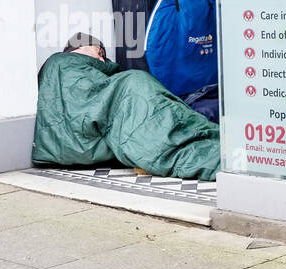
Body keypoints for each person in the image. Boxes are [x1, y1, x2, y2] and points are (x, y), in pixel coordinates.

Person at [32, 32, 220, 181]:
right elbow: (99, 100)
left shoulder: (55, 69)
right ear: (80, 48)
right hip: (86, 139)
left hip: (62, 149)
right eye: (99, 53)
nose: (102, 59)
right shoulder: (61, 63)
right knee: (135, 80)